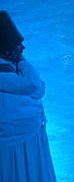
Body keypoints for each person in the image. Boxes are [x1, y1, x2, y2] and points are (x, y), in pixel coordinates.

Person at [0, 11, 57, 182]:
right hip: (15, 141)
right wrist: (23, 62)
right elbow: (33, 85)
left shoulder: (11, 64)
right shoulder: (4, 72)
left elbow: (38, 89)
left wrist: (19, 62)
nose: (23, 49)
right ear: (7, 51)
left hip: (28, 135)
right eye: (18, 45)